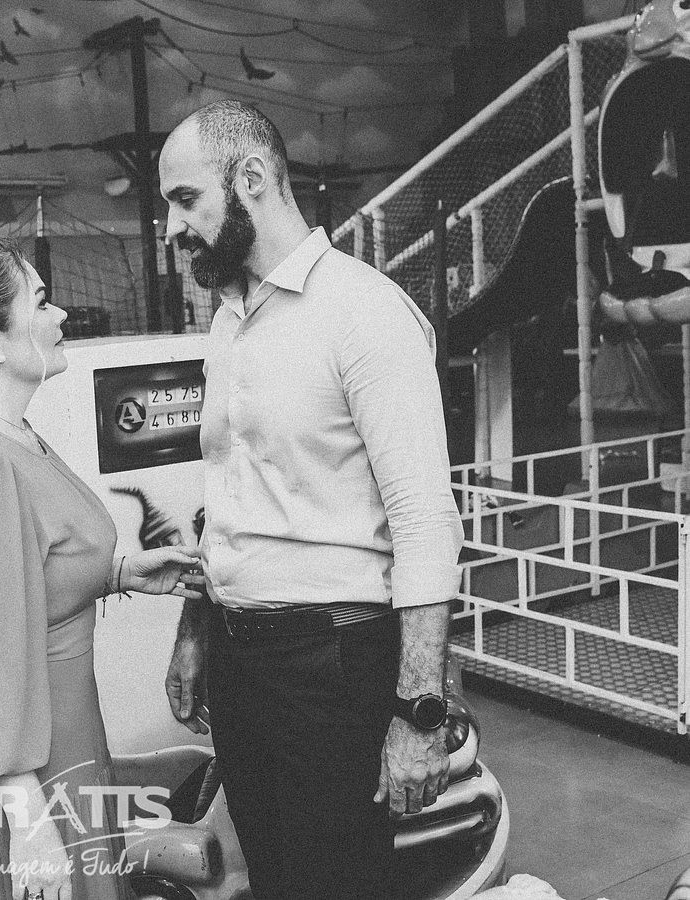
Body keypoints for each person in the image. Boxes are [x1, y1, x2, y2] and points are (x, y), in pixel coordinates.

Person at [159, 100, 464, 900]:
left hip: (333, 663)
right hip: (240, 659)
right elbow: (227, 496)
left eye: (185, 199)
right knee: (274, 879)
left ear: (252, 177)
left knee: (339, 884)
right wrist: (195, 632)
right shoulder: (229, 320)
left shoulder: (364, 312)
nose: (172, 228)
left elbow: (425, 521)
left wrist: (421, 713)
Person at [0, 238, 201, 900]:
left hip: (62, 755)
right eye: (42, 302)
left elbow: (21, 577)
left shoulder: (8, 435)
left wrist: (118, 572)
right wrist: (29, 834)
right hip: (27, 784)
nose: (61, 316)